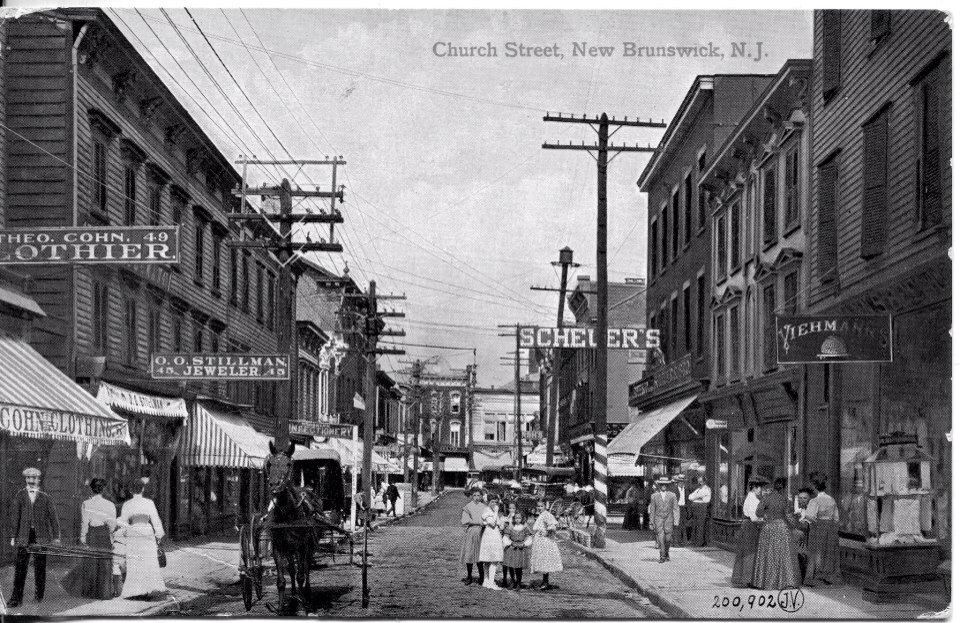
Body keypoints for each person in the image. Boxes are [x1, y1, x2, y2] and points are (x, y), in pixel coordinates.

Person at [7, 467, 61, 608]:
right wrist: (13, 535)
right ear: (26, 479)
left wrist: (56, 537)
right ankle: (16, 598)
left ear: (38, 480)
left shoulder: (46, 497)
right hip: (24, 536)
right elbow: (15, 517)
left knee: (40, 567)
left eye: (34, 478)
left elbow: (53, 519)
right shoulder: (20, 495)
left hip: (41, 536)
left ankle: (39, 596)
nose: (31, 481)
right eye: (28, 478)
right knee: (20, 568)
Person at [62, 478, 117, 599]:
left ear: (91, 489)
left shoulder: (86, 503)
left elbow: (84, 522)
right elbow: (112, 524)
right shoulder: (110, 505)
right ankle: (104, 593)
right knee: (105, 563)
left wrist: (83, 537)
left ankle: (90, 592)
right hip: (104, 533)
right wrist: (112, 537)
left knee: (91, 562)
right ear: (103, 489)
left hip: (92, 533)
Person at [118, 478, 167, 599]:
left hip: (134, 532)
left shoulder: (127, 504)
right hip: (147, 531)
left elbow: (122, 521)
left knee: (135, 561)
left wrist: (127, 527)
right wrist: (159, 535)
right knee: (148, 561)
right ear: (143, 489)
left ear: (130, 491)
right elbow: (155, 519)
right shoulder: (149, 503)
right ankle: (149, 588)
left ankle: (135, 590)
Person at [753, 477, 801, 590]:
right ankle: (783, 582)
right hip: (781, 528)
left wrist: (766, 515)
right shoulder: (785, 500)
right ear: (784, 487)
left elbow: (758, 512)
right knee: (783, 555)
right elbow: (788, 517)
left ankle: (766, 582)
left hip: (768, 527)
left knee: (768, 554)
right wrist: (795, 525)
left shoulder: (766, 498)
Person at [802, 474, 841, 586]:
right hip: (830, 528)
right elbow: (836, 518)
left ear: (815, 486)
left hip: (818, 528)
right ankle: (828, 576)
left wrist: (805, 519)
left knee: (816, 552)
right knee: (828, 552)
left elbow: (810, 517)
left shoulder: (815, 501)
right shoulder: (831, 500)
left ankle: (814, 577)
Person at [731, 478, 765, 588]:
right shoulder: (752, 498)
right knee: (750, 552)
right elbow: (754, 518)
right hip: (750, 526)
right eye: (760, 488)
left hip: (749, 526)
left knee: (747, 552)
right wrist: (766, 520)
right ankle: (748, 579)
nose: (761, 490)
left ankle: (746, 578)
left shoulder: (752, 497)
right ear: (754, 488)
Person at [530, 499, 563, 590]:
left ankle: (545, 582)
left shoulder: (546, 515)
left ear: (545, 507)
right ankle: (545, 581)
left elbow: (553, 526)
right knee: (542, 560)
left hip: (545, 541)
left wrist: (547, 533)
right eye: (538, 506)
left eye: (541, 506)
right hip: (540, 540)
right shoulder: (541, 515)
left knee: (545, 559)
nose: (539, 508)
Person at [648, 477, 680, 563]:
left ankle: (666, 552)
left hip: (669, 519)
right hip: (658, 519)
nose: (663, 486)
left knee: (668, 539)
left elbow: (676, 508)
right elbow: (652, 510)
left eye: (665, 484)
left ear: (668, 485)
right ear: (659, 485)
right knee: (660, 538)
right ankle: (662, 556)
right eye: (662, 484)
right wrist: (651, 522)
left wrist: (676, 520)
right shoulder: (654, 496)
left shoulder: (672, 495)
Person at [460, 488, 488, 585]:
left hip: (482, 532)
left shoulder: (484, 507)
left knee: (480, 555)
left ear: (481, 496)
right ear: (472, 496)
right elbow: (465, 520)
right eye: (474, 495)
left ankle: (482, 576)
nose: (476, 497)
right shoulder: (468, 507)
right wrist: (479, 522)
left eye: (478, 496)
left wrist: (483, 523)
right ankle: (469, 576)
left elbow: (488, 519)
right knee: (469, 554)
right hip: (471, 531)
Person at [478, 499, 505, 590]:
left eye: (496, 502)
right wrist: (496, 512)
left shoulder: (493, 512)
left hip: (495, 534)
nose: (494, 504)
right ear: (488, 502)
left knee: (489, 559)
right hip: (490, 535)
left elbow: (500, 525)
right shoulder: (487, 511)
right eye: (492, 502)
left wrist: (501, 523)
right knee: (492, 559)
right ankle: (489, 582)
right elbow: (492, 523)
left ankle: (487, 581)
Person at [502, 512, 532, 589]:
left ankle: (518, 582)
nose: (517, 520)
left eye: (519, 518)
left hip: (521, 548)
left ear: (522, 519)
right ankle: (513, 581)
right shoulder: (510, 527)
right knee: (511, 566)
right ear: (514, 519)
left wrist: (524, 544)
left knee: (519, 567)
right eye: (516, 518)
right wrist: (510, 543)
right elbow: (505, 537)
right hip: (512, 548)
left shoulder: (524, 528)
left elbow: (528, 538)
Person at [792, 487, 815, 580]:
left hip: (809, 541)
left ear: (809, 500)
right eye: (800, 498)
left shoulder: (812, 511)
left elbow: (809, 525)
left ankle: (807, 578)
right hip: (799, 543)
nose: (802, 500)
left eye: (804, 498)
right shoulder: (798, 512)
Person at [688, 476, 712, 547]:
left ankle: (699, 542)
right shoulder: (698, 489)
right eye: (699, 481)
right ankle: (694, 541)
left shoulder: (707, 489)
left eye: (701, 481)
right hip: (696, 507)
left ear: (704, 482)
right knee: (695, 524)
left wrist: (696, 497)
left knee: (700, 525)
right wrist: (697, 497)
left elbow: (701, 497)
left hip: (702, 507)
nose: (700, 483)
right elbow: (690, 497)